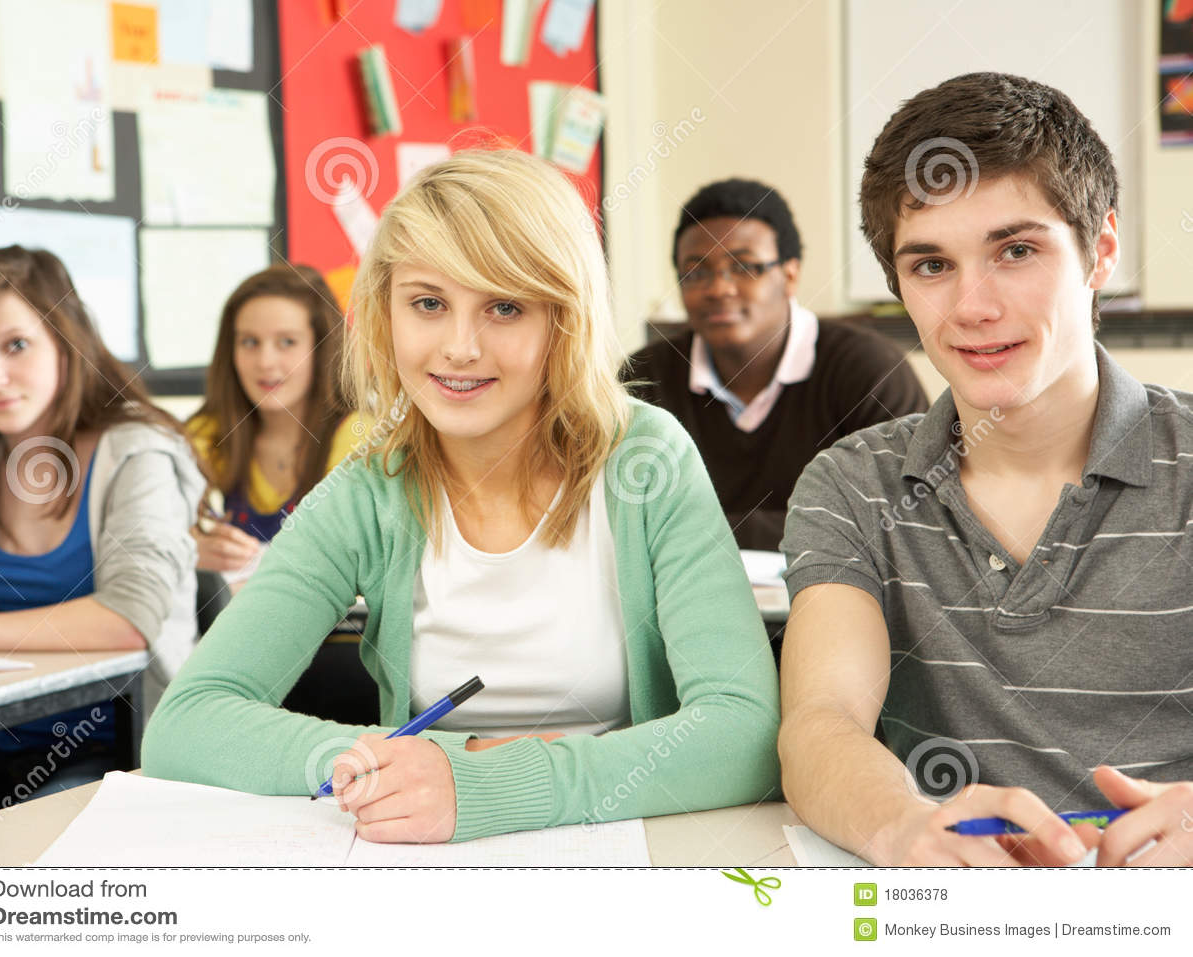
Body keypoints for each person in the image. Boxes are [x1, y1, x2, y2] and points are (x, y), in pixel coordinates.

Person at [143, 149, 781, 844]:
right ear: (384, 312)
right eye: (428, 303)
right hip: (425, 852)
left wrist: (491, 782)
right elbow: (185, 723)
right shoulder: (369, 489)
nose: (460, 347)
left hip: (616, 841)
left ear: (564, 319)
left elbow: (743, 732)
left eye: (505, 306)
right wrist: (382, 765)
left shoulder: (646, 459)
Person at [778, 72, 1193, 867]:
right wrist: (898, 826)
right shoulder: (851, 484)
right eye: (932, 265)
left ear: (1101, 250)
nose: (973, 305)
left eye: (1016, 250)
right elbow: (820, 722)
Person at [0, 246, 203, 838]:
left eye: (15, 345)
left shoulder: (137, 453)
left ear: (65, 338)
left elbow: (128, 619)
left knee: (27, 852)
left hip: (121, 750)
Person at [624, 179, 929, 550]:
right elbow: (624, 519)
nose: (719, 288)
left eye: (745, 266)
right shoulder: (644, 378)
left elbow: (904, 515)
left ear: (790, 275)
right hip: (685, 595)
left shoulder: (869, 370)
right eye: (696, 272)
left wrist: (696, 531)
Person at [187, 265, 362, 580]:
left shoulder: (361, 439)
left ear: (322, 349)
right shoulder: (204, 435)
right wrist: (190, 549)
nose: (265, 362)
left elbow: (355, 565)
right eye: (250, 343)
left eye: (287, 342)